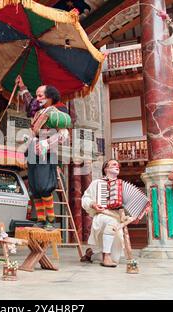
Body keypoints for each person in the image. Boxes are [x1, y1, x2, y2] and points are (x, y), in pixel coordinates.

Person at [16, 76, 70, 230]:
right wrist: (22, 86)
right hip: (33, 151)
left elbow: (64, 134)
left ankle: (50, 220)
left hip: (46, 152)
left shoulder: (57, 111)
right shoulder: (38, 112)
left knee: (44, 186)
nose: (37, 98)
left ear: (50, 97)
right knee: (34, 187)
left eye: (40, 96)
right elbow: (29, 101)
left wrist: (47, 142)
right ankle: (40, 219)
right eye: (37, 95)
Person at [80, 159, 132, 267]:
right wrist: (93, 204)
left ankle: (90, 254)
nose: (117, 166)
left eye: (118, 165)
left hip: (117, 218)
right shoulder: (98, 183)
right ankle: (106, 257)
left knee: (115, 259)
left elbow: (128, 208)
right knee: (112, 222)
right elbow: (85, 199)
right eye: (113, 164)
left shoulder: (122, 186)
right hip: (102, 215)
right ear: (106, 169)